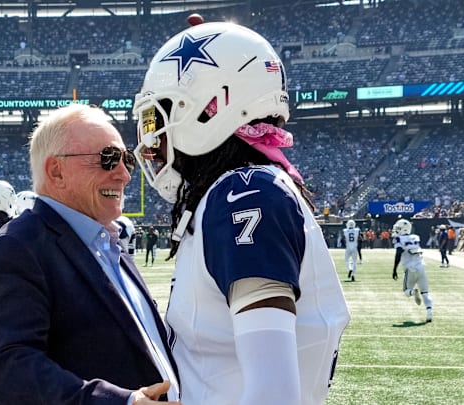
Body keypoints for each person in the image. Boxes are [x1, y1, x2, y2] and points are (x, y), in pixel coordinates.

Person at [133, 22, 350, 404]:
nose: (153, 139)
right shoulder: (241, 189)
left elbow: (273, 394)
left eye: (157, 118)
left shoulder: (244, 194)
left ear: (207, 108)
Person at [0, 103, 180, 404]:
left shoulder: (108, 242)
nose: (123, 174)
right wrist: (121, 402)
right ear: (56, 171)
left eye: (127, 160)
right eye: (108, 159)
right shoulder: (19, 246)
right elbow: (12, 372)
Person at [391, 219, 433, 323]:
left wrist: (394, 269)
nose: (396, 230)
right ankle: (429, 312)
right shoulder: (415, 237)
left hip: (410, 269)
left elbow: (399, 252)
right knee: (425, 292)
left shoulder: (399, 239)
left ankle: (413, 292)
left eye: (398, 228)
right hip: (421, 266)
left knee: (406, 291)